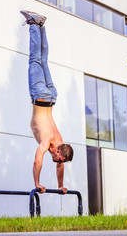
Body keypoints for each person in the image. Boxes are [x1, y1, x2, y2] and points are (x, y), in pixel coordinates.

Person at [20, 10, 74, 194]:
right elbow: (37, 160)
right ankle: (35, 25)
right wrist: (37, 183)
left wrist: (60, 186)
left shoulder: (60, 142)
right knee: (35, 59)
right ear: (59, 152)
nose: (55, 160)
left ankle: (41, 26)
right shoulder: (48, 141)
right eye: (57, 159)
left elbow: (60, 166)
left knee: (43, 60)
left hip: (52, 97)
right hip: (41, 96)